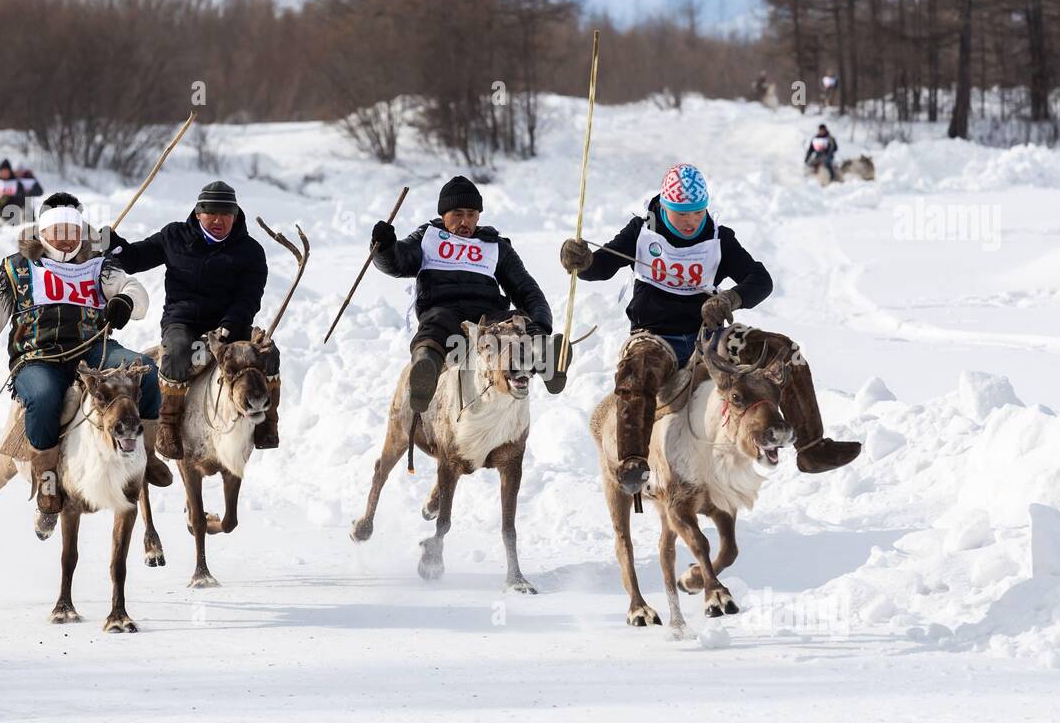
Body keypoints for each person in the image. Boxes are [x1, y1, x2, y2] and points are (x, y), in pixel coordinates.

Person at [559, 163, 861, 495]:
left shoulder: (719, 239)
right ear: (665, 207)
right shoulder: (641, 233)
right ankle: (633, 464)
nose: (691, 221)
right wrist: (582, 262)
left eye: (697, 212)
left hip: (709, 334)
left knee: (783, 350)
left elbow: (761, 280)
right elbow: (600, 267)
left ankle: (812, 448)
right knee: (636, 370)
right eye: (681, 214)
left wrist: (731, 298)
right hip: (655, 335)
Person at [0, 192, 168, 532]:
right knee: (45, 396)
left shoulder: (98, 265)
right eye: (56, 230)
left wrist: (124, 301)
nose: (65, 237)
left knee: (147, 372)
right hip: (38, 356)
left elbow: (137, 292)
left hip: (94, 351)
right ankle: (47, 480)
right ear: (42, 233)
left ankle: (146, 455)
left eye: (72, 230)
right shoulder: (18, 269)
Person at [107, 181, 274, 460]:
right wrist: (114, 246)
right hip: (183, 321)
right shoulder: (174, 236)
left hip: (231, 324)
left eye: (227, 214)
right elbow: (135, 259)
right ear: (198, 213)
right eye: (212, 214)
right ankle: (169, 424)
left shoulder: (250, 251)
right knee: (177, 351)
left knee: (269, 354)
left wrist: (231, 325)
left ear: (235, 215)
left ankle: (268, 423)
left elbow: (249, 298)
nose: (219, 220)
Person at [369, 175, 560, 413]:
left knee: (515, 322)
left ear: (478, 215)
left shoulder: (495, 246)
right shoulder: (428, 239)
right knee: (435, 325)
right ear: (443, 215)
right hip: (443, 311)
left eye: (471, 214)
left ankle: (545, 356)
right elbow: (397, 262)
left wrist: (540, 324)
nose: (464, 221)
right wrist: (384, 246)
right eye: (457, 214)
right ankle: (425, 370)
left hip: (487, 318)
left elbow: (525, 288)